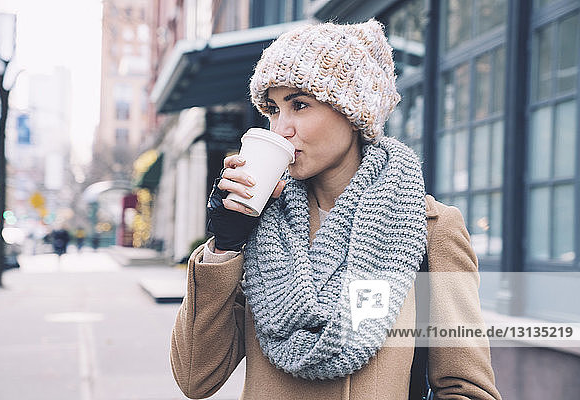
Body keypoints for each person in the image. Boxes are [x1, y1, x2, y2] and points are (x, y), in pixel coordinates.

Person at [170, 20, 502, 399]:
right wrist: (224, 246)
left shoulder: (431, 228)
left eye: (299, 105)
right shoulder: (260, 225)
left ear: (353, 112)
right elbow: (196, 378)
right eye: (274, 109)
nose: (281, 128)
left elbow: (466, 387)